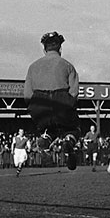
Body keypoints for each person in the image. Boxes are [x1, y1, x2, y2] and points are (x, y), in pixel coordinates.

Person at [24, 31, 81, 170]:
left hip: (39, 102)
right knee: (73, 128)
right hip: (61, 100)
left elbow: (27, 94)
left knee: (49, 125)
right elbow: (74, 92)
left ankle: (46, 139)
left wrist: (34, 107)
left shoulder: (32, 67)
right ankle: (69, 140)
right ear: (60, 49)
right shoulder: (68, 65)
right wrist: (68, 104)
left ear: (44, 49)